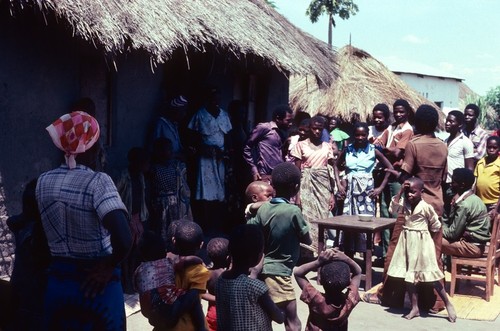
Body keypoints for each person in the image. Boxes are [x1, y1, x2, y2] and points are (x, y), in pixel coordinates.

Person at [36, 111, 132, 330]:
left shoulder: (43, 181)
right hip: (97, 285)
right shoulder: (98, 182)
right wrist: (108, 266)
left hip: (59, 284)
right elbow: (124, 238)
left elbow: (41, 237)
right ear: (92, 147)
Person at [369, 105, 448, 312]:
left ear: (419, 123)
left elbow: (407, 177)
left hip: (415, 207)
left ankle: (389, 296)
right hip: (436, 204)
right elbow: (443, 178)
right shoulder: (442, 146)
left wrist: (391, 171)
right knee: (433, 253)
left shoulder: (414, 144)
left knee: (398, 250)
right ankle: (435, 303)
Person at [248, 162, 312, 331]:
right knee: (292, 321)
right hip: (280, 273)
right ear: (296, 187)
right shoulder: (293, 211)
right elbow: (307, 239)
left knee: (265, 316)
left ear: (273, 185)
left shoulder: (263, 209)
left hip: (265, 269)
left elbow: (253, 229)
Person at [386, 177, 456, 322]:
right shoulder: (405, 204)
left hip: (422, 244)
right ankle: (414, 307)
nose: (410, 195)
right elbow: (392, 209)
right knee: (409, 277)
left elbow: (436, 226)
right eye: (408, 192)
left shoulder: (426, 207)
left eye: (413, 192)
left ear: (421, 192)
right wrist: (400, 192)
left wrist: (423, 235)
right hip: (406, 242)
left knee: (432, 277)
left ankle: (448, 303)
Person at [336, 122, 393, 257]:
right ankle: (349, 259)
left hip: (366, 192)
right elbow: (336, 166)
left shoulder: (374, 150)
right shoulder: (348, 149)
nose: (360, 138)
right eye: (357, 135)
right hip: (350, 191)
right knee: (349, 221)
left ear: (367, 135)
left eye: (363, 135)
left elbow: (390, 168)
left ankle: (365, 259)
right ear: (353, 135)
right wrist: (339, 184)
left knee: (365, 223)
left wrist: (380, 188)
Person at [215, 224, 284, 331]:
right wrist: (282, 312)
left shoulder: (220, 280)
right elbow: (279, 318)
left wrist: (254, 274)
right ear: (257, 257)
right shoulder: (256, 287)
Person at [134, 231, 207, 330]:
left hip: (150, 313)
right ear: (165, 251)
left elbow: (137, 287)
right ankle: (201, 327)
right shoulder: (168, 263)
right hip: (170, 308)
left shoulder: (139, 270)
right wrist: (198, 260)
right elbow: (185, 261)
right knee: (194, 294)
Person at [373, 99, 414, 261]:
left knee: (396, 213)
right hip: (384, 174)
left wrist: (384, 151)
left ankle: (395, 254)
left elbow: (397, 153)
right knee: (384, 213)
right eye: (396, 111)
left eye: (401, 112)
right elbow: (377, 145)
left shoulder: (407, 130)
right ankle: (384, 254)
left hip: (397, 175)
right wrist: (386, 150)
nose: (398, 114)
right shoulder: (391, 128)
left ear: (407, 113)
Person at [7, 179, 50, 331]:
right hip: (32, 298)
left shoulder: (21, 225)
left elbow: (13, 221)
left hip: (20, 294)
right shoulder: (35, 232)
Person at [188, 88, 232, 232]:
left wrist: (224, 152)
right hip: (205, 159)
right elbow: (192, 136)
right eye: (213, 98)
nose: (216, 101)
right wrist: (205, 149)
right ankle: (205, 225)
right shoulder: (200, 115)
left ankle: (217, 224)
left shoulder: (224, 115)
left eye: (218, 99)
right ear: (207, 99)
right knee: (205, 192)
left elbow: (227, 136)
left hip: (220, 158)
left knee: (220, 191)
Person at [291, 116, 336, 250]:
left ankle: (320, 249)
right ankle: (307, 250)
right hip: (306, 186)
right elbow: (297, 171)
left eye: (320, 129)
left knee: (323, 217)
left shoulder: (327, 147)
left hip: (323, 187)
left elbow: (330, 172)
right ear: (309, 128)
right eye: (314, 128)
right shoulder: (300, 145)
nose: (317, 131)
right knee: (306, 216)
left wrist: (332, 194)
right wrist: (297, 194)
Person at [294, 248, 361, 331]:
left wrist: (318, 262)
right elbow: (358, 272)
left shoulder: (316, 299)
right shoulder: (349, 301)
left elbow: (298, 273)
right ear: (348, 282)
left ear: (320, 280)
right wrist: (346, 258)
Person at [161, 221, 210, 331]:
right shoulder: (199, 271)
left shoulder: (166, 262)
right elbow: (194, 301)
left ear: (174, 241)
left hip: (165, 323)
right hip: (189, 325)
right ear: (201, 245)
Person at [116, 147, 150, 294]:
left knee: (136, 251)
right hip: (126, 217)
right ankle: (125, 281)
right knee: (126, 251)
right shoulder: (124, 176)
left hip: (137, 217)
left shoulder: (140, 177)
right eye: (145, 163)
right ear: (137, 162)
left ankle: (130, 279)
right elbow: (116, 195)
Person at [150, 138, 192, 243]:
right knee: (162, 227)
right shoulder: (154, 169)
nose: (171, 151)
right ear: (159, 151)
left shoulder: (175, 166)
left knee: (175, 226)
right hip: (161, 204)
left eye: (171, 149)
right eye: (168, 149)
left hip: (175, 203)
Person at [442, 168, 491, 259]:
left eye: (453, 182)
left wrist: (438, 226)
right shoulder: (475, 199)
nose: (451, 185)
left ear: (462, 185)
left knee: (434, 240)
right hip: (479, 245)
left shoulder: (464, 205)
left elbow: (452, 234)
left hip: (472, 248)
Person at [243, 105, 294, 183]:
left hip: (278, 174)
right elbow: (246, 148)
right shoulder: (264, 128)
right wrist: (254, 169)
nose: (291, 124)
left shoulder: (283, 132)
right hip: (264, 175)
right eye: (288, 120)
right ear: (278, 118)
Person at [442, 110, 475, 216]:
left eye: (451, 122)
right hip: (444, 185)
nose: (447, 123)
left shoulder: (465, 142)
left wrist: (463, 193)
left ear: (460, 124)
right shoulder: (444, 142)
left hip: (456, 187)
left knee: (455, 216)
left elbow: (470, 169)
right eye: (447, 121)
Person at [202, 238, 230, 331]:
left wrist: (215, 299)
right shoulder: (230, 274)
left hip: (213, 313)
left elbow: (201, 293)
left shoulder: (208, 274)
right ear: (228, 257)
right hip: (229, 315)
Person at [474, 136, 500, 214]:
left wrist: (496, 208)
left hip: (494, 204)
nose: (491, 150)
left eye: (494, 147)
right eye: (489, 147)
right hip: (480, 203)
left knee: (494, 225)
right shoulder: (480, 162)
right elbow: (475, 184)